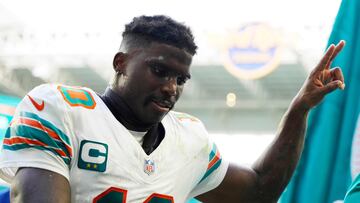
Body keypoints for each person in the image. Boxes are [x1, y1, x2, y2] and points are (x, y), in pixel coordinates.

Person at [0, 15, 345, 203]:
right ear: (121, 63)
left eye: (181, 79)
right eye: (160, 71)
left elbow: (258, 192)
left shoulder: (189, 140)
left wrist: (300, 110)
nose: (171, 87)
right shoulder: (59, 110)